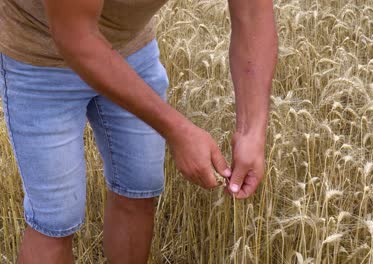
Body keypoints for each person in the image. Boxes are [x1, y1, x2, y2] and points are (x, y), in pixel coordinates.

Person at [0, 0, 277, 262]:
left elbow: (252, 12)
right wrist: (176, 129)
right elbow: (77, 38)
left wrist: (252, 130)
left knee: (140, 186)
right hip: (39, 56)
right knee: (55, 220)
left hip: (130, 48)